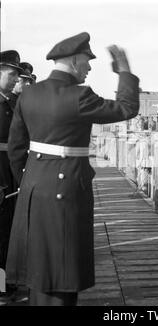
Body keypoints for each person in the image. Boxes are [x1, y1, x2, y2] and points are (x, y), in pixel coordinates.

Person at [6, 32, 139, 306]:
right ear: (75, 60)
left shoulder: (28, 95)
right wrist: (124, 72)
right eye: (87, 61)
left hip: (33, 188)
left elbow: (16, 148)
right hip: (65, 191)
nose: (89, 68)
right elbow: (126, 108)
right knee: (61, 266)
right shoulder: (80, 96)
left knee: (40, 264)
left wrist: (29, 180)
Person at [0, 50, 24, 304]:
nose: (15, 79)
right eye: (11, 74)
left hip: (10, 176)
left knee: (6, 232)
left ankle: (6, 282)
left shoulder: (9, 103)